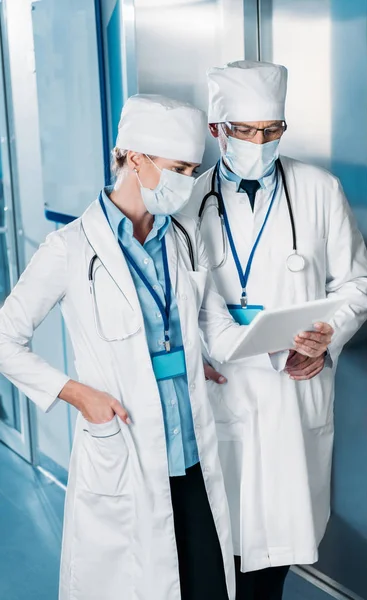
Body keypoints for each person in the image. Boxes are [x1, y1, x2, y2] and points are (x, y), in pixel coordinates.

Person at [0, 94, 252, 600]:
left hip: (193, 454)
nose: (187, 180)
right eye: (178, 168)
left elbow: (207, 321)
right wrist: (77, 394)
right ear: (134, 159)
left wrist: (273, 343)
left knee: (207, 586)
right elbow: (5, 339)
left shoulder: (183, 236)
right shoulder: (69, 248)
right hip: (125, 450)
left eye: (193, 168)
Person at [184, 61, 367, 600]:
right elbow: (178, 302)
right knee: (214, 553)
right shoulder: (189, 202)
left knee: (273, 566)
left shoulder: (318, 188)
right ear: (217, 130)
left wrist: (327, 336)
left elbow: (357, 282)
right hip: (222, 389)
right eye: (245, 131)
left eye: (271, 131)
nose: (259, 143)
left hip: (294, 394)